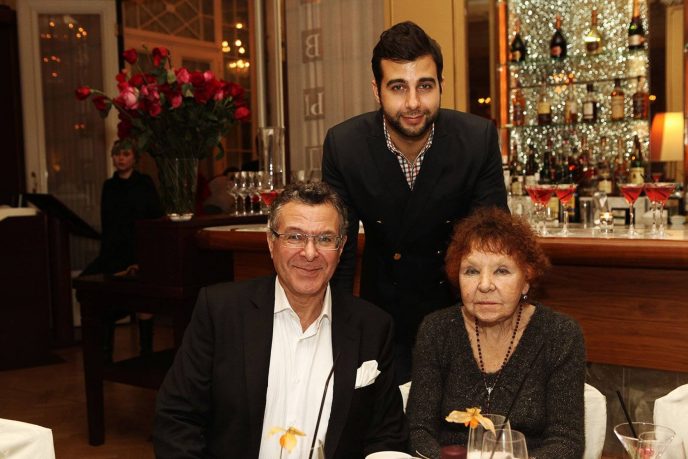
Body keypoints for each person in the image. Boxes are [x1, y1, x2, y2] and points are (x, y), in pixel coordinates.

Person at [153, 182, 407, 458]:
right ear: (271, 242)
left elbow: (386, 436)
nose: (310, 253)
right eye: (295, 237)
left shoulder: (372, 327)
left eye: (325, 239)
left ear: (341, 246)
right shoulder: (221, 311)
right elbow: (177, 419)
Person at [322, 21, 508, 383]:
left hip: (459, 313)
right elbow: (338, 248)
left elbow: (493, 243)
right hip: (382, 315)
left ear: (441, 85)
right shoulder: (345, 146)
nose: (412, 103)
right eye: (398, 87)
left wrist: (493, 329)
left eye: (425, 86)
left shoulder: (476, 139)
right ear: (377, 91)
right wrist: (334, 331)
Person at [407, 208, 585, 458]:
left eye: (502, 271)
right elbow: (418, 431)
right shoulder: (437, 330)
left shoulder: (559, 334)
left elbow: (566, 440)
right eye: (471, 271)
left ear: (526, 280)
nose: (484, 285)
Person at [81, 141, 163, 361]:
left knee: (143, 299)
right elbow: (107, 224)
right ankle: (104, 355)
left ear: (134, 158)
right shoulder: (109, 186)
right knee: (91, 288)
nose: (120, 158)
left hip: (139, 251)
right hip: (113, 252)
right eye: (116, 154)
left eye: (125, 154)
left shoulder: (144, 183)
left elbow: (155, 219)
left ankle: (146, 354)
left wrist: (143, 257)